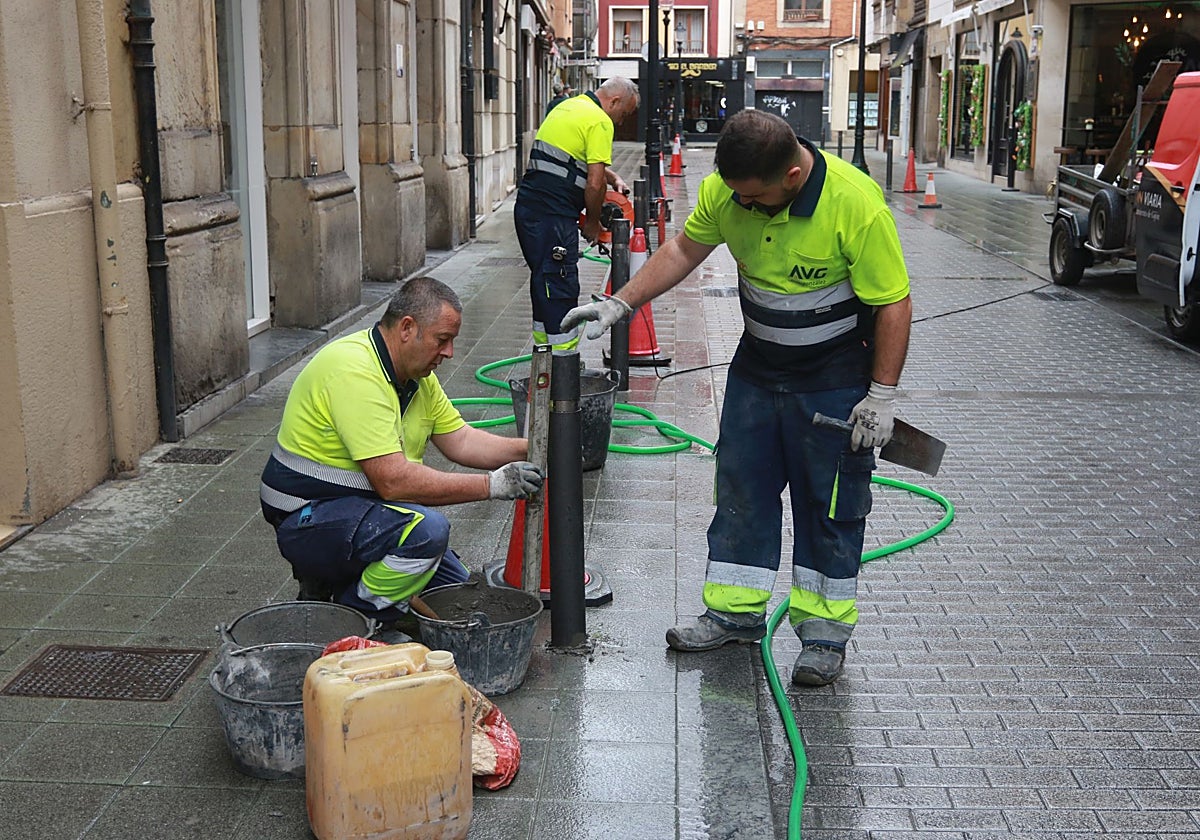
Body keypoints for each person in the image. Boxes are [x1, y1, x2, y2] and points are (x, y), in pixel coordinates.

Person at [561, 110, 912, 686]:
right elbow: (683, 250)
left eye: (754, 198)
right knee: (741, 487)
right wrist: (621, 302)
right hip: (757, 368)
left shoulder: (855, 204)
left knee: (829, 504)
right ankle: (734, 612)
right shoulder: (728, 192)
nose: (741, 207)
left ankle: (823, 634)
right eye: (736, 196)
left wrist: (882, 395)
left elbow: (894, 302)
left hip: (833, 375)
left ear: (794, 176)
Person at [259, 277, 544, 621]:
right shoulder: (355, 370)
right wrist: (493, 486)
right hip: (307, 518)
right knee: (426, 533)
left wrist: (536, 448)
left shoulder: (417, 378)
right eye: (443, 340)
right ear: (407, 328)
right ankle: (350, 616)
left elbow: (462, 441)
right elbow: (394, 482)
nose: (449, 353)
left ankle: (344, 586)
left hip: (358, 511)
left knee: (457, 593)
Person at [515, 76, 640, 353]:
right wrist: (594, 224)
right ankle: (564, 366)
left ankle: (545, 360)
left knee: (544, 284)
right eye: (624, 114)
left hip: (529, 211)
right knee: (560, 287)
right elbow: (593, 183)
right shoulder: (599, 120)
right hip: (553, 217)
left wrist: (613, 177)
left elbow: (571, 159)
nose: (621, 121)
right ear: (614, 101)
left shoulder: (568, 107)